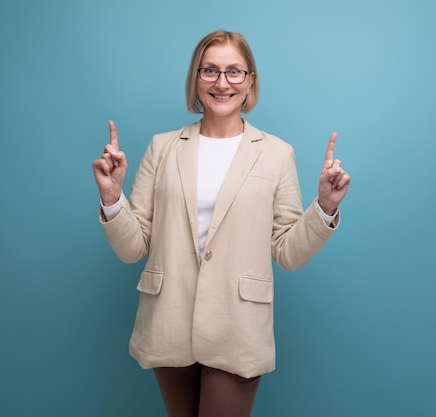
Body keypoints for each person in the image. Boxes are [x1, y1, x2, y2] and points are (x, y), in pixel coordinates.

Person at [92, 29, 350, 417]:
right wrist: (113, 197)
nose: (221, 82)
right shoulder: (162, 148)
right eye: (209, 70)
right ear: (196, 79)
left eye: (234, 71)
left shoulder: (277, 154)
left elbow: (288, 252)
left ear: (250, 81)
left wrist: (325, 208)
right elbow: (132, 247)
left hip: (238, 324)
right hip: (169, 319)